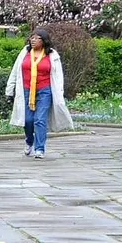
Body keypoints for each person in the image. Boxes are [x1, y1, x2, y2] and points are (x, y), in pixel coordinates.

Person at [6, 26, 74, 159]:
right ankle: (29, 141)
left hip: (45, 91)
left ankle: (39, 148)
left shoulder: (52, 55)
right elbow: (15, 72)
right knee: (28, 120)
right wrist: (9, 90)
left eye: (37, 38)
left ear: (44, 41)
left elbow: (58, 76)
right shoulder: (24, 52)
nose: (33, 40)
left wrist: (60, 94)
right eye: (32, 37)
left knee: (40, 119)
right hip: (26, 90)